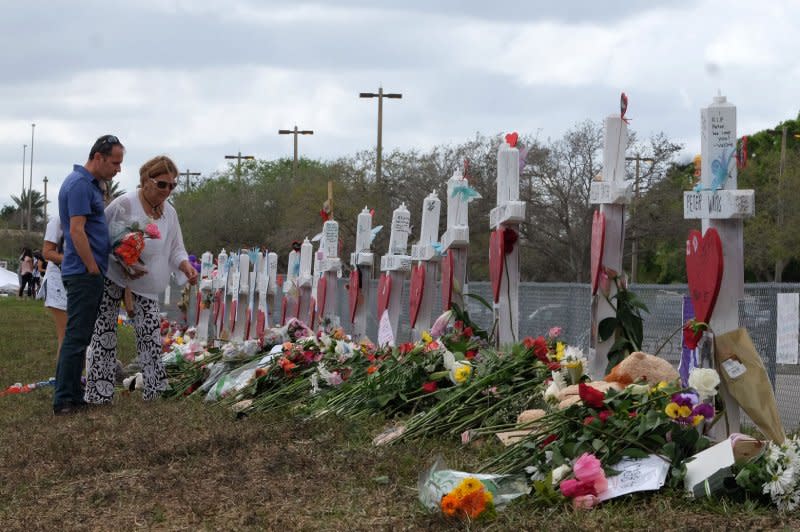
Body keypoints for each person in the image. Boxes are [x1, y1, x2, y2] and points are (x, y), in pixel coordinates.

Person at [84, 155, 197, 405]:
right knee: (104, 333)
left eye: (172, 186)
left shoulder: (169, 213)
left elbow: (176, 247)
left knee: (150, 335)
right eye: (162, 184)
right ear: (146, 181)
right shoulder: (124, 204)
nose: (167, 191)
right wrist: (123, 259)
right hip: (113, 276)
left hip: (145, 283)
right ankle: (98, 393)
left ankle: (154, 389)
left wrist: (185, 265)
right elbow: (101, 238)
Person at [53, 134, 124, 416]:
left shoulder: (90, 185)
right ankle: (64, 399)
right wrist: (92, 267)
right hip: (84, 272)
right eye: (115, 163)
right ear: (98, 158)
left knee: (80, 337)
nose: (118, 169)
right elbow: (76, 230)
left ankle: (73, 394)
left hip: (87, 271)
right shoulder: (80, 185)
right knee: (76, 337)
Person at [42, 218, 67, 359]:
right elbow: (47, 252)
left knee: (78, 337)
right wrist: (76, 259)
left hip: (76, 281)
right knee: (66, 337)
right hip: (58, 280)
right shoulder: (57, 221)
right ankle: (63, 379)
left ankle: (75, 378)